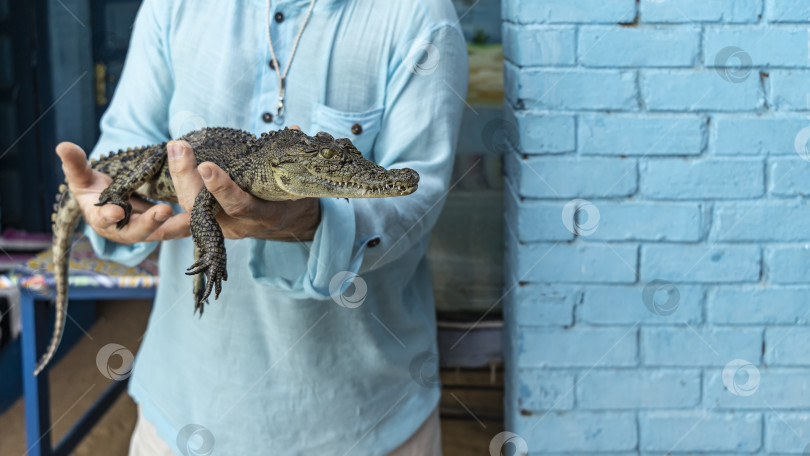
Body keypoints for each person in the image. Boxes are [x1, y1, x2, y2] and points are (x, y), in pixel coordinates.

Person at [56, 0, 467, 454]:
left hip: (362, 419)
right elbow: (126, 138)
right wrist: (110, 202)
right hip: (186, 406)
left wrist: (313, 222)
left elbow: (418, 191)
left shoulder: (419, 15)